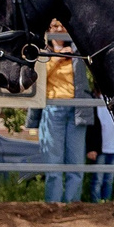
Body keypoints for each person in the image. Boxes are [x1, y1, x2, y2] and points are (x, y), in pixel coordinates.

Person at [35, 20, 87, 203]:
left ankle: (72, 204)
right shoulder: (42, 52)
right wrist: (57, 57)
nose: (59, 29)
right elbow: (37, 78)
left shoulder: (78, 49)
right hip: (53, 108)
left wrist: (73, 54)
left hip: (77, 109)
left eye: (62, 26)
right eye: (55, 26)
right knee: (53, 166)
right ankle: (54, 206)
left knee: (76, 165)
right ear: (49, 30)